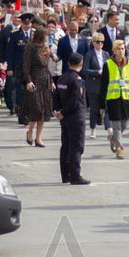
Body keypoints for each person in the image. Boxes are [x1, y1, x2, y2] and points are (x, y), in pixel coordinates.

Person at [54, 51, 90, 185]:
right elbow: (75, 100)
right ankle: (75, 175)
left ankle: (65, 175)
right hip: (75, 116)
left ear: (68, 63)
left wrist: (58, 111)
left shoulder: (61, 78)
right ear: (81, 63)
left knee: (66, 145)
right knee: (76, 146)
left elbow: (56, 97)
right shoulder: (77, 80)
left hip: (64, 117)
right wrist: (63, 112)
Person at [22, 27, 55, 147]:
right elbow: (26, 66)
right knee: (36, 108)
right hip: (35, 78)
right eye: (46, 36)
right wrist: (28, 81)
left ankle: (39, 138)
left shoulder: (44, 48)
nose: (47, 38)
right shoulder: (30, 47)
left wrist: (51, 80)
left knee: (44, 110)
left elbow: (46, 66)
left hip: (44, 79)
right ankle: (30, 130)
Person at [105, 38, 129, 159]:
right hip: (113, 98)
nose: (121, 51)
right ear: (114, 51)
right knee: (116, 125)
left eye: (123, 49)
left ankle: (113, 138)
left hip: (126, 97)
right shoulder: (108, 64)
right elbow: (104, 84)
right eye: (119, 49)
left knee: (125, 123)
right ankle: (119, 149)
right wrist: (102, 103)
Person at [82, 32, 107, 139]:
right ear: (93, 43)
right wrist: (97, 72)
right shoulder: (89, 54)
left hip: (105, 84)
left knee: (106, 107)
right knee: (94, 108)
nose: (100, 44)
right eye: (98, 42)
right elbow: (85, 70)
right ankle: (93, 129)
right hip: (93, 84)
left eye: (102, 42)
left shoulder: (106, 54)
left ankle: (108, 128)